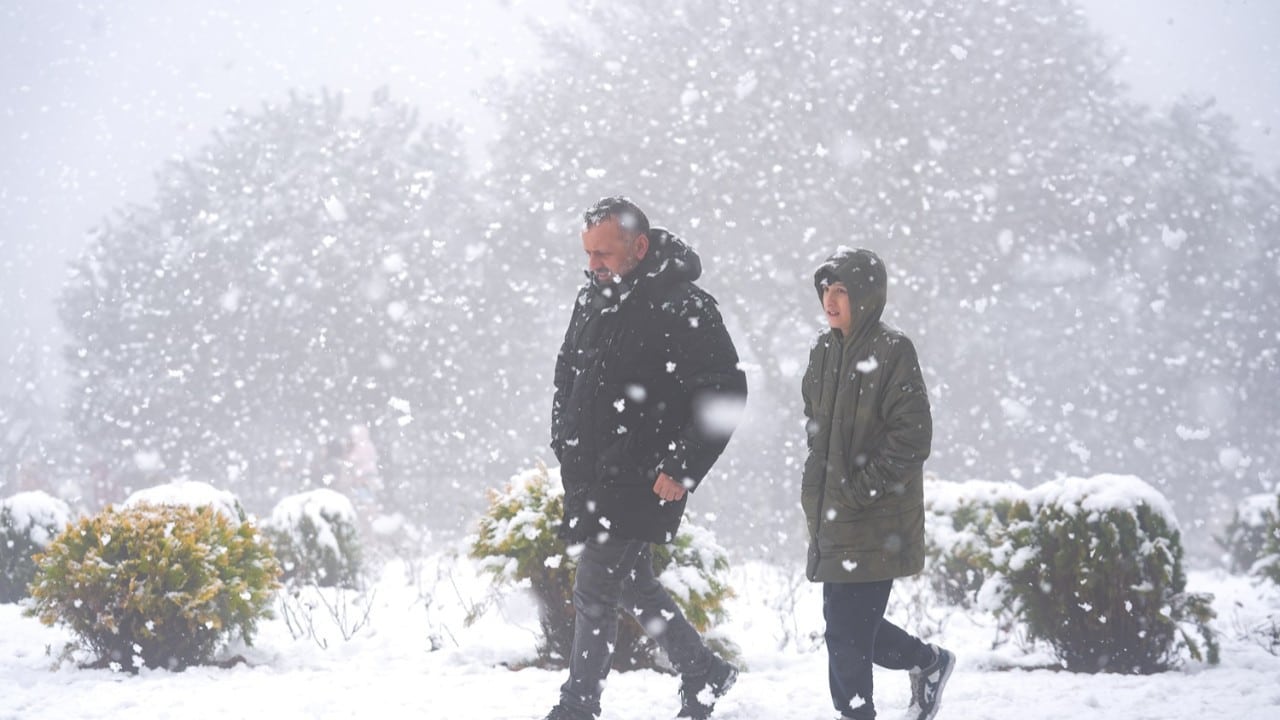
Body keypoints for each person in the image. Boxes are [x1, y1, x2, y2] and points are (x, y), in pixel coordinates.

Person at [545, 197, 748, 720]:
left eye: (604, 253)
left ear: (638, 246)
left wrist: (682, 467)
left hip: (646, 475)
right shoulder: (592, 300)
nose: (593, 265)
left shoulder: (683, 305)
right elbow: (566, 375)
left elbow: (723, 392)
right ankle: (703, 670)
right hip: (593, 472)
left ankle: (578, 705)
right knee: (632, 581)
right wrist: (562, 440)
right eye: (588, 253)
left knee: (594, 585)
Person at [800, 247, 955, 720]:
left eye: (842, 290)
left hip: (874, 518)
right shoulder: (824, 351)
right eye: (826, 289)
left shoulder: (892, 351)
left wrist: (861, 488)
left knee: (847, 635)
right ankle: (929, 662)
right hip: (833, 517)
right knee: (846, 631)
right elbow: (815, 421)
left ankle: (857, 713)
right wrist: (821, 486)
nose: (831, 299)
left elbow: (913, 436)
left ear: (865, 296)